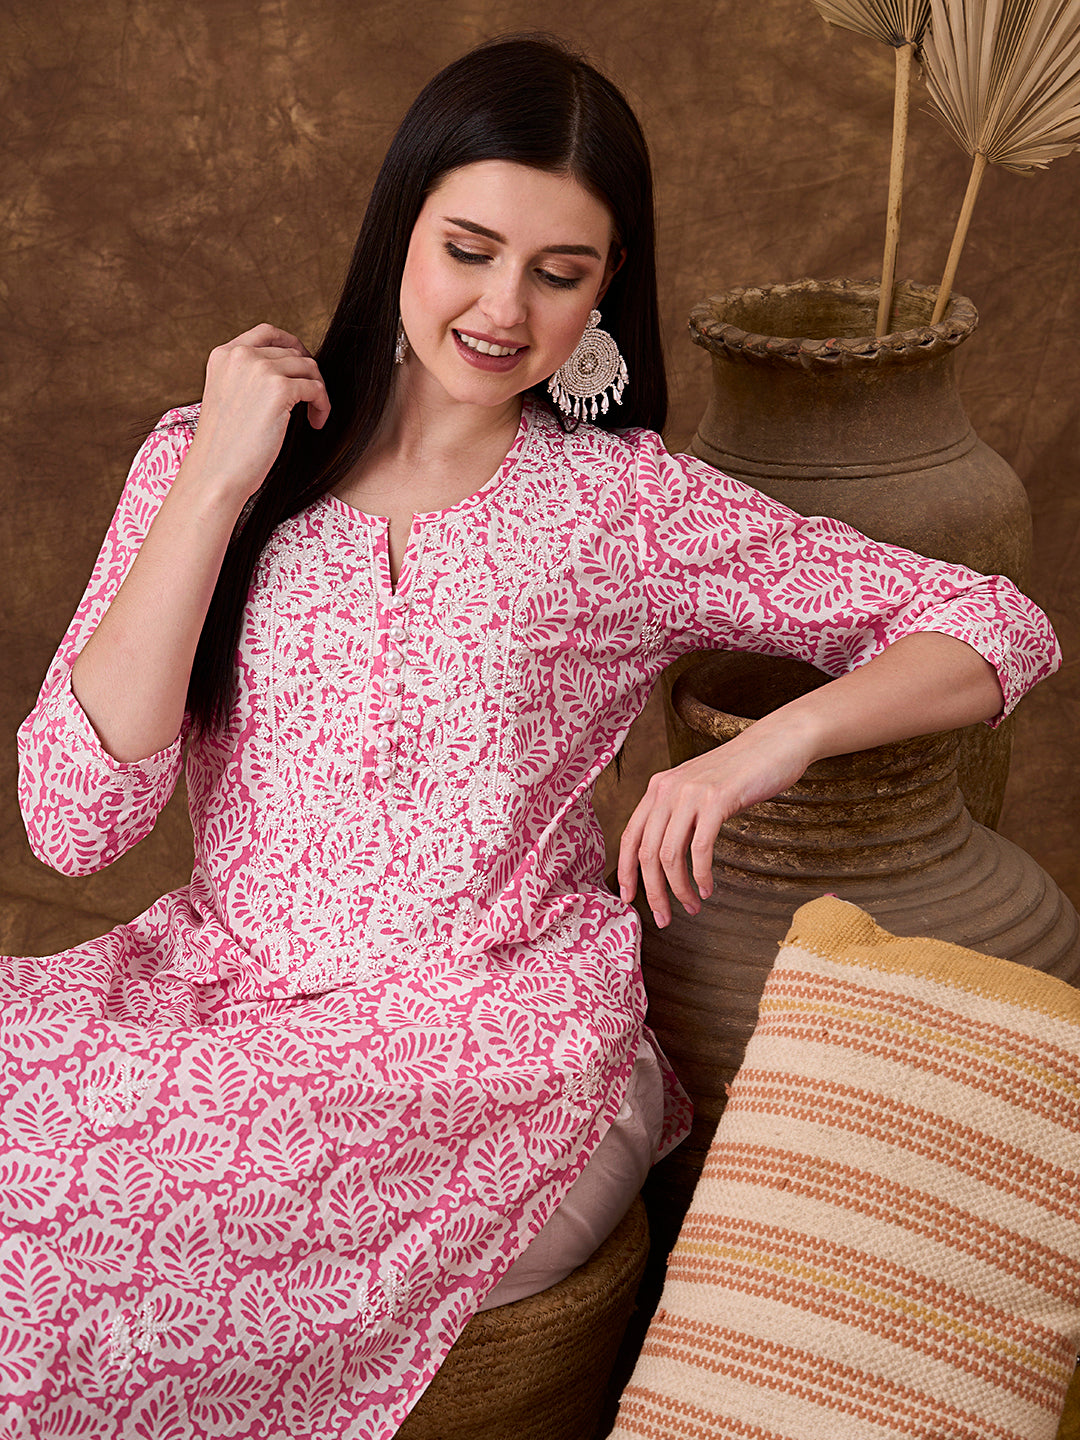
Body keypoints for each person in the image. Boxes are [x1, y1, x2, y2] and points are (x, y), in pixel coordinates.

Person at [8, 31, 1059, 1440]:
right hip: (211, 1005)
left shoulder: (621, 508)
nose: (504, 308)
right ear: (399, 228)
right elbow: (75, 826)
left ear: (607, 285)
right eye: (470, 250)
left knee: (70, 1239)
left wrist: (768, 745)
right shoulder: (209, 459)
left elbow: (993, 625)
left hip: (489, 1057)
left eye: (560, 273)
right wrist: (213, 485)